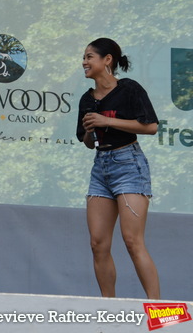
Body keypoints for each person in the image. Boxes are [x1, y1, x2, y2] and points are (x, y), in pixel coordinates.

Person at [76, 37, 160, 299]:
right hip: (100, 166)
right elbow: (88, 143)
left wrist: (107, 120)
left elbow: (151, 126)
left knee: (133, 241)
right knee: (98, 243)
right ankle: (109, 310)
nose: (84, 62)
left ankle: (160, 313)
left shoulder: (129, 89)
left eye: (90, 57)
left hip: (128, 164)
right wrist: (91, 130)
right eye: (84, 57)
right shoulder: (86, 99)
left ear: (107, 60)